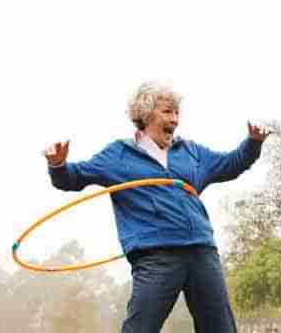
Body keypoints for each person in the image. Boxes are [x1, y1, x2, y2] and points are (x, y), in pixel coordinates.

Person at [43, 81, 269, 333]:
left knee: (221, 328)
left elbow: (230, 164)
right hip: (155, 255)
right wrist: (57, 165)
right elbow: (72, 178)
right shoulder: (118, 155)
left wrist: (253, 143)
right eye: (167, 112)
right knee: (140, 328)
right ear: (146, 114)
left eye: (176, 112)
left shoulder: (191, 152)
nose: (174, 119)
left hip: (201, 251)